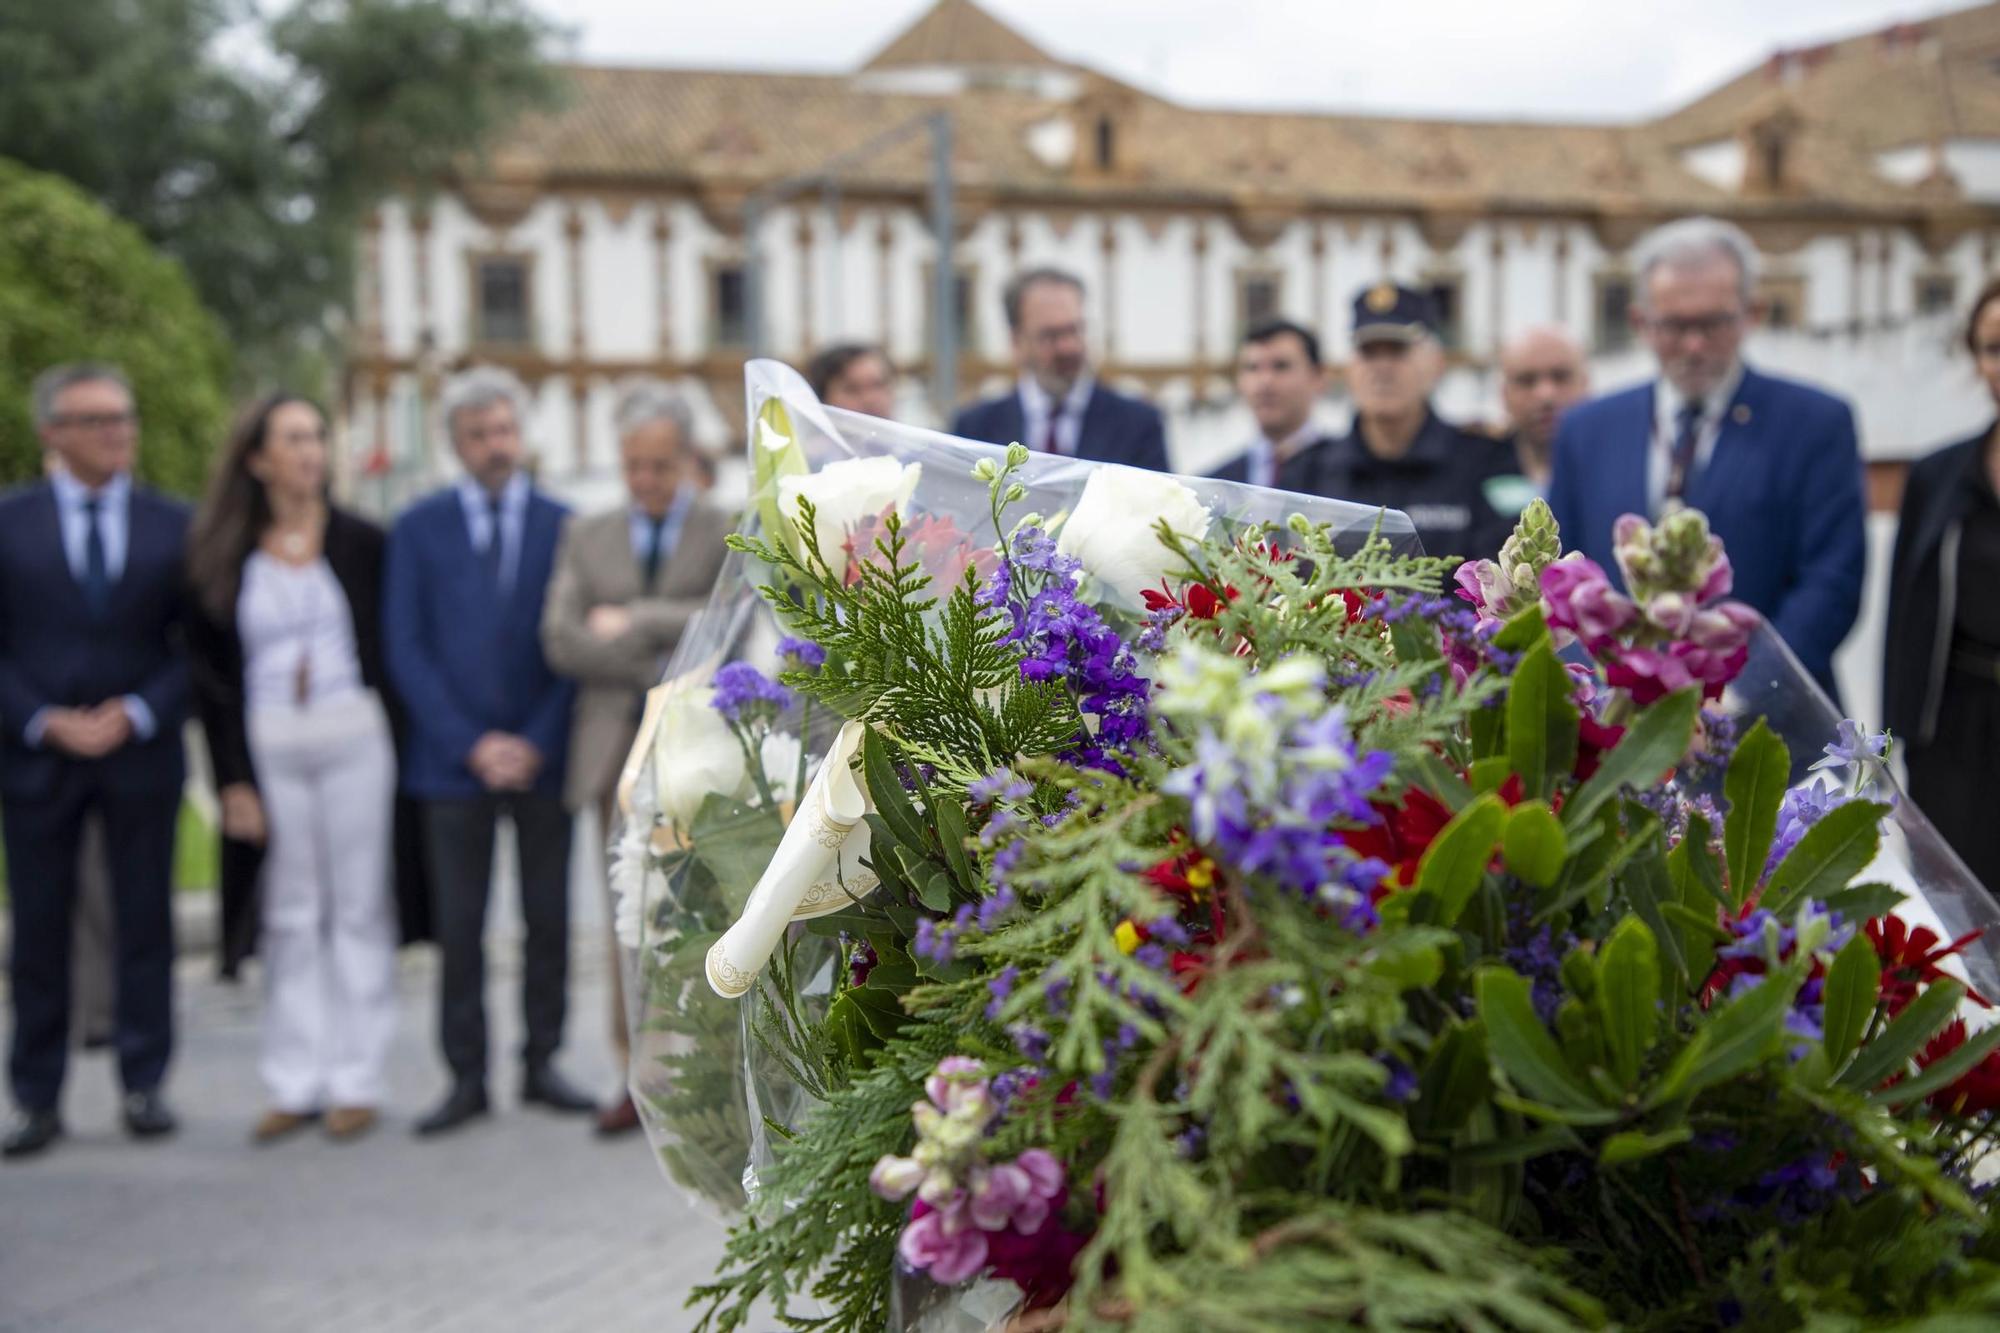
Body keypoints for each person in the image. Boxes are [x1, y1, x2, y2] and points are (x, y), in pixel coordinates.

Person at [185, 393, 422, 1144]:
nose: (311, 451)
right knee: (289, 908)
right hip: (269, 739)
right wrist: (233, 779)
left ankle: (356, 1075)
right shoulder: (224, 551)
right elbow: (212, 679)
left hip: (353, 732)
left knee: (357, 903)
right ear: (257, 458)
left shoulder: (361, 541)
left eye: (318, 436)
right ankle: (294, 1077)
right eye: (293, 439)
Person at [384, 366, 589, 1136]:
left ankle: (543, 1060)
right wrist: (471, 743)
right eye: (479, 435)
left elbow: (571, 647)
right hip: (452, 763)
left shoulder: (565, 524)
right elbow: (404, 648)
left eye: (504, 430)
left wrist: (533, 740)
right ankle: (465, 1074)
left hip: (544, 754)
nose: (495, 446)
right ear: (455, 444)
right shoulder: (418, 527)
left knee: (548, 915)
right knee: (460, 923)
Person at [1548, 217, 1865, 698]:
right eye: (1675, 325)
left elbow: (1832, 581)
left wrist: (1738, 696)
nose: (1694, 344)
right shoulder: (1587, 430)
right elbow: (1563, 579)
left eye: (1713, 323)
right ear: (1640, 321)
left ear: (1751, 313)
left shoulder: (1816, 423)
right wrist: (1590, 695)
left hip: (1764, 723)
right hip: (1614, 728)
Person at [1, 363, 189, 1160]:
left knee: (146, 920)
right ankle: (36, 1096)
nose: (118, 431)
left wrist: (139, 711)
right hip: (39, 757)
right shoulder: (11, 523)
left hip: (138, 752)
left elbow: (195, 648)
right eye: (97, 419)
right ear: (52, 432)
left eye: (123, 416)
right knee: (39, 930)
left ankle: (144, 1081)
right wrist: (42, 720)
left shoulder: (173, 525)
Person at [541, 384, 729, 1136]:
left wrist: (639, 620)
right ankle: (635, 1071)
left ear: (687, 460)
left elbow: (722, 625)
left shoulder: (724, 527)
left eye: (658, 464)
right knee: (626, 912)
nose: (645, 479)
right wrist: (658, 652)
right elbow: (561, 639)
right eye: (632, 465)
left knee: (701, 907)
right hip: (610, 747)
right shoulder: (587, 535)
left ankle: (707, 1067)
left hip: (698, 749)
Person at [1884, 277, 2000, 893]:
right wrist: (1898, 735)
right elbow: (1905, 614)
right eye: (1992, 348)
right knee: (1959, 908)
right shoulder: (1939, 473)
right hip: (1957, 728)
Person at [1285, 283, 1519, 560]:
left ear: (1436, 363)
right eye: (1368, 352)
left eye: (1398, 350)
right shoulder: (1308, 472)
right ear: (1350, 369)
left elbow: (1506, 575)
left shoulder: (1488, 462)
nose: (1382, 367)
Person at [951, 267, 1168, 470]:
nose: (1068, 347)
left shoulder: (1138, 426)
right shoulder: (975, 430)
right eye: (1051, 336)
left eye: (1075, 330)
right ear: (1017, 342)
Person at [1209, 318, 1330, 488]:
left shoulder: (1354, 477)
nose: (1265, 381)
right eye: (1252, 368)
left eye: (1281, 366)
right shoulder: (1215, 488)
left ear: (1318, 377)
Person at [1496, 326, 1589, 494]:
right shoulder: (1468, 469)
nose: (1545, 395)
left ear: (1585, 384)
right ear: (1504, 394)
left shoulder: (1620, 467)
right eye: (1526, 380)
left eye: (1560, 377)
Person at [807, 343, 897, 419]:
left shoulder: (907, 437)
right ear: (823, 398)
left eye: (878, 385)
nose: (869, 399)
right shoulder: (803, 440)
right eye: (852, 389)